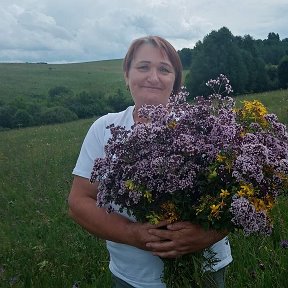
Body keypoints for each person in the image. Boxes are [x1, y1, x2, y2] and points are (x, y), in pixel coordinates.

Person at [68, 35, 232, 288]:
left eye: (164, 69)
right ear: (126, 74)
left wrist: (206, 235)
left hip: (206, 272)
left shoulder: (206, 126)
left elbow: (240, 199)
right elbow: (79, 202)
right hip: (132, 278)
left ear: (176, 81)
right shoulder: (104, 129)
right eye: (143, 67)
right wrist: (133, 234)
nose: (153, 77)